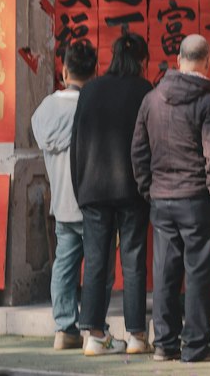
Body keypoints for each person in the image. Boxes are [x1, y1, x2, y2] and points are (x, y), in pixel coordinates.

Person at [132, 34, 210, 364]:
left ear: (178, 61)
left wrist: (149, 188)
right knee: (198, 272)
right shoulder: (207, 101)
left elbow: (138, 151)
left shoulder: (153, 98)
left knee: (165, 272)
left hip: (162, 197)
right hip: (196, 197)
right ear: (207, 61)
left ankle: (165, 344)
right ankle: (196, 345)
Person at [70, 32, 153, 357]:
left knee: (95, 262)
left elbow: (76, 143)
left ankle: (93, 334)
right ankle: (135, 335)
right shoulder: (144, 91)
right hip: (132, 189)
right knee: (133, 263)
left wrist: (81, 190)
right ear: (142, 61)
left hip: (93, 189)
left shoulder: (90, 90)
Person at [31, 39, 104, 351]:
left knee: (64, 265)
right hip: (94, 201)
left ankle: (64, 327)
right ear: (96, 71)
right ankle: (93, 329)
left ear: (63, 71)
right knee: (98, 268)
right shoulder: (96, 104)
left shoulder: (45, 109)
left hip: (61, 201)